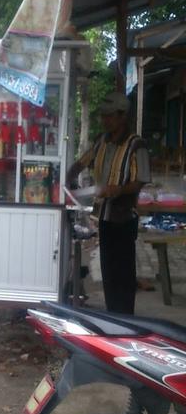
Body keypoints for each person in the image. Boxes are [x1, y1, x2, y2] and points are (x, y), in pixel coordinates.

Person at [67, 91, 151, 314]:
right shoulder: (101, 142)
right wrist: (68, 176)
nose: (105, 120)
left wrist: (120, 189)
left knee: (123, 274)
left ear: (122, 116)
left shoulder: (136, 145)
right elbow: (82, 162)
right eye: (103, 116)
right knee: (109, 272)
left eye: (110, 116)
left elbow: (141, 180)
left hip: (124, 218)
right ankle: (113, 315)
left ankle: (125, 319)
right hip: (104, 216)